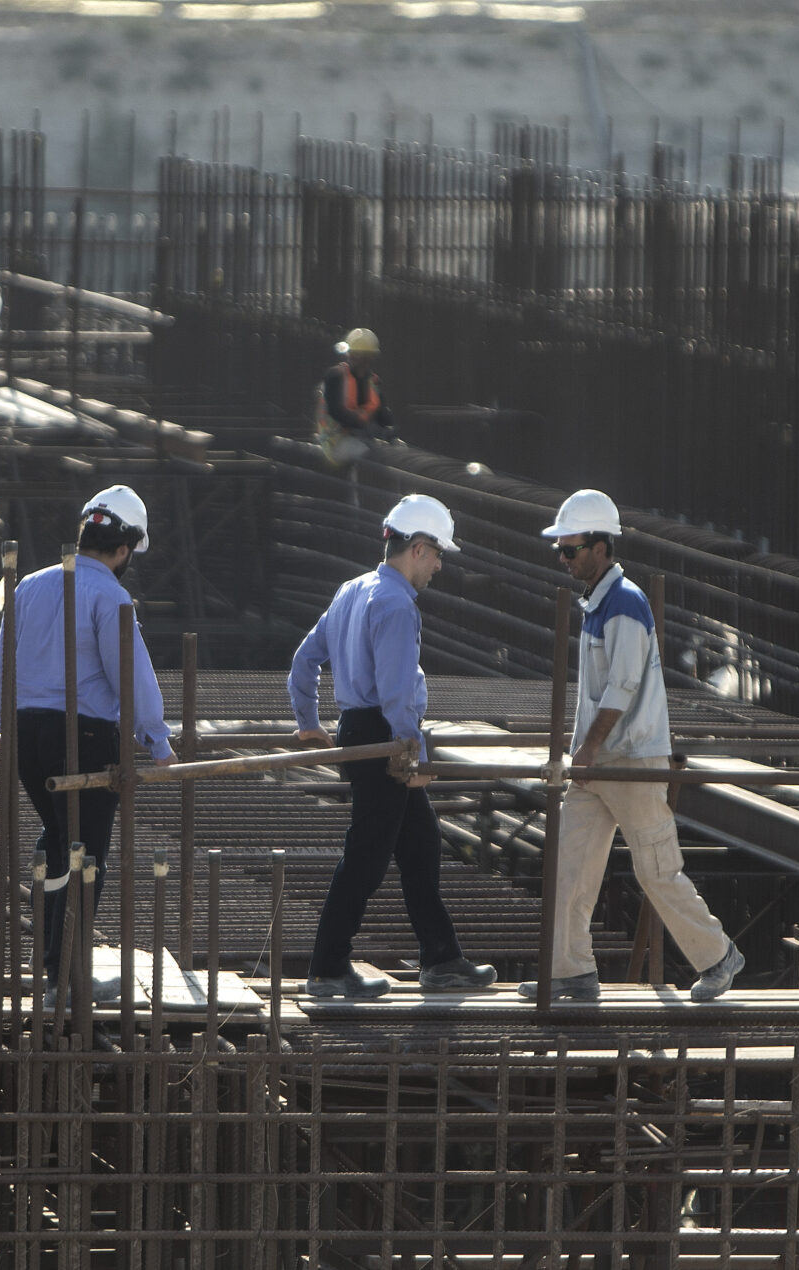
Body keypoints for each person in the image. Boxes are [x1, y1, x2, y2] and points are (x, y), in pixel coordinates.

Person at [523, 489, 743, 1003]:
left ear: (601, 547)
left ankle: (718, 956)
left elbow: (620, 689)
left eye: (570, 549)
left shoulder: (624, 603)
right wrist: (587, 755)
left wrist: (584, 752)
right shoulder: (598, 604)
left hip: (632, 761)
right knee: (570, 867)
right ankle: (570, 972)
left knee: (657, 869)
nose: (563, 558)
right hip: (598, 763)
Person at [289, 494, 497, 998]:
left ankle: (441, 958)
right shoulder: (397, 604)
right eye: (439, 554)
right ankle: (328, 966)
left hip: (361, 731)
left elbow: (304, 658)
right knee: (366, 855)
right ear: (419, 549)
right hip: (387, 737)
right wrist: (415, 756)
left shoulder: (351, 591)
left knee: (420, 846)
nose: (440, 566)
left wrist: (309, 722)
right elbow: (397, 692)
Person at [0, 485, 177, 1006]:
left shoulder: (27, 585)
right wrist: (157, 740)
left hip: (27, 733)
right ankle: (66, 979)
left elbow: (4, 665)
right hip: (85, 737)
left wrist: (6, 726)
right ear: (123, 549)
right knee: (84, 854)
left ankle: (56, 972)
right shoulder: (111, 595)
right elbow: (131, 677)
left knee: (57, 842)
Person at [314, 327, 394, 469]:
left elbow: (383, 415)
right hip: (335, 442)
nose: (362, 361)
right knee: (369, 454)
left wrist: (390, 434)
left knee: (396, 450)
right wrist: (366, 427)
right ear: (349, 355)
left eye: (366, 356)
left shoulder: (372, 382)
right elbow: (337, 412)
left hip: (362, 438)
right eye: (357, 355)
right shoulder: (335, 377)